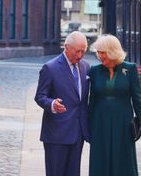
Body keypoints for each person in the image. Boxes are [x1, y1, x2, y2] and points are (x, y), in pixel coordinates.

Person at [88, 34, 141, 176]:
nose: (100, 56)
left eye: (103, 52)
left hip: (123, 122)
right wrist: (88, 124)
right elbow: (92, 100)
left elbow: (137, 97)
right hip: (100, 122)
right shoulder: (94, 71)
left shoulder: (130, 69)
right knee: (100, 158)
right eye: (98, 52)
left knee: (123, 158)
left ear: (112, 51)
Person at [34, 31, 90, 176]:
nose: (80, 55)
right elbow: (40, 96)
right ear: (66, 47)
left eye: (83, 51)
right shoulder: (50, 68)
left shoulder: (86, 67)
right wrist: (52, 104)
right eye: (77, 51)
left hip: (78, 133)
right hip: (56, 134)